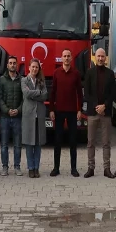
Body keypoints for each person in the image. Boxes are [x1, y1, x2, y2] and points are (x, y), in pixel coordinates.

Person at [50, 49, 83, 177]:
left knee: (73, 140)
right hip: (59, 111)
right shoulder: (56, 73)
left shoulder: (76, 73)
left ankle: (73, 168)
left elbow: (79, 93)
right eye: (64, 56)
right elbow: (53, 92)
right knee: (57, 140)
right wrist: (51, 109)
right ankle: (56, 168)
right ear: (61, 58)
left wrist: (79, 109)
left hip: (72, 112)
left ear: (71, 58)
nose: (67, 58)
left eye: (69, 56)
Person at [83, 48, 115, 179]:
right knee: (90, 141)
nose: (101, 59)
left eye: (103, 56)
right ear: (95, 57)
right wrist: (97, 106)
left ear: (105, 58)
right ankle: (91, 168)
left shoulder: (110, 73)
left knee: (106, 142)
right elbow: (87, 92)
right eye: (98, 56)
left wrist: (104, 106)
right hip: (92, 112)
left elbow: (113, 93)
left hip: (106, 113)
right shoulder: (89, 73)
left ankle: (107, 169)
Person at [22, 59, 48, 178]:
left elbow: (45, 95)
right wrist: (38, 93)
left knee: (38, 144)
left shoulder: (41, 81)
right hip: (28, 116)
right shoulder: (24, 80)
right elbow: (26, 94)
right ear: (29, 68)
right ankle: (30, 168)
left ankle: (37, 168)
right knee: (29, 143)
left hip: (39, 116)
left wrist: (34, 94)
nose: (34, 69)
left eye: (36, 67)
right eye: (32, 67)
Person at [0, 55, 23, 176]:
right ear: (7, 65)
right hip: (5, 117)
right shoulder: (2, 79)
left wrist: (18, 110)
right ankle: (5, 167)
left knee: (18, 144)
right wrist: (7, 110)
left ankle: (17, 167)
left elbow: (24, 100)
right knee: (4, 144)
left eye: (14, 63)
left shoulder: (21, 80)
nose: (12, 65)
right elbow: (0, 98)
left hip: (18, 117)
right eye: (10, 63)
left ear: (17, 65)